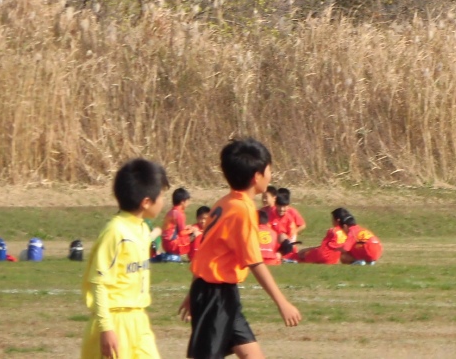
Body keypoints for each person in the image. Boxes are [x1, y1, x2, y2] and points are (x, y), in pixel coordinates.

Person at [180, 138, 302, 359]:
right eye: (269, 170)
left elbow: (207, 251)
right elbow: (254, 262)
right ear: (257, 177)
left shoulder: (225, 202)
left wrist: (193, 291)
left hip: (221, 293)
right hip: (215, 295)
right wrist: (282, 303)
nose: (270, 175)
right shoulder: (241, 211)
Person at [81, 158, 169, 359]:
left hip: (139, 320)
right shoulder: (115, 232)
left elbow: (138, 246)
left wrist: (154, 234)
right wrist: (106, 327)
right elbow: (98, 282)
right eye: (162, 195)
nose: (163, 201)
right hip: (115, 322)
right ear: (146, 202)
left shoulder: (141, 228)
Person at [157, 187, 192, 261]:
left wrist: (186, 227)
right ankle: (193, 256)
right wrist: (192, 230)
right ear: (182, 202)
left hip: (165, 243)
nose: (189, 203)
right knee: (193, 235)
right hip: (173, 244)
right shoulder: (179, 214)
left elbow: (175, 228)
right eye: (187, 201)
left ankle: (168, 256)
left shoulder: (171, 211)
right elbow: (182, 233)